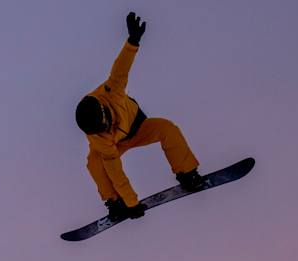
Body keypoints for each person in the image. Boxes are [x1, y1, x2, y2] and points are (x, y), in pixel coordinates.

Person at [76, 12, 205, 223]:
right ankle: (114, 201)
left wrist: (132, 41)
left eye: (104, 123)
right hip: (115, 145)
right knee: (94, 162)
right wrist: (130, 202)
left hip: (139, 126)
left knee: (167, 129)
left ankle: (188, 174)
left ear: (102, 110)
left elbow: (121, 68)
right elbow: (115, 171)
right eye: (100, 129)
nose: (105, 127)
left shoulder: (112, 90)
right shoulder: (98, 138)